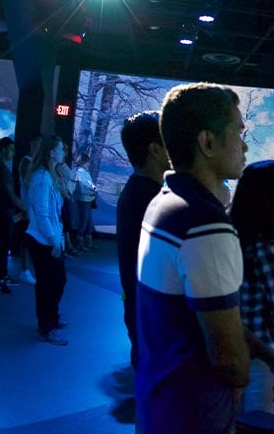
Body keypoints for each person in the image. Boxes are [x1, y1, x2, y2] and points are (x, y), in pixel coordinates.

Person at [136, 82, 274, 434]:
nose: (245, 145)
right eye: (238, 132)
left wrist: (270, 357)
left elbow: (209, 317)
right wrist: (251, 369)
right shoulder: (207, 227)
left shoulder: (164, 203)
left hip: (160, 405)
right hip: (195, 416)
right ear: (208, 142)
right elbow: (230, 362)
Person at [229, 160, 274, 414]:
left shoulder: (232, 236)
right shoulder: (269, 249)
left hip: (231, 351)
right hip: (263, 360)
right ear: (273, 195)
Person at [116, 110, 168, 370]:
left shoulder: (137, 190)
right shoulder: (152, 199)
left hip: (141, 311)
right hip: (153, 316)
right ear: (156, 150)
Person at [24, 135, 68, 346]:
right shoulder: (42, 178)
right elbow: (42, 214)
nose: (63, 153)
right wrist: (53, 241)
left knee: (57, 281)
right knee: (47, 284)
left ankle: (52, 317)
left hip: (50, 238)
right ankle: (47, 326)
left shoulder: (50, 175)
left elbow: (56, 209)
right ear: (51, 152)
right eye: (60, 149)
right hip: (43, 240)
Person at [0, 137, 27, 293]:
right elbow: (9, 193)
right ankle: (1, 277)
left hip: (4, 212)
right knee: (4, 246)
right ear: (3, 150)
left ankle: (1, 276)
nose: (13, 153)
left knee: (3, 247)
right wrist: (24, 208)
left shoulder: (2, 167)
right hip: (4, 214)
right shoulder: (2, 169)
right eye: (11, 149)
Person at [14, 133, 41, 285]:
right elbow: (29, 184)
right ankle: (24, 270)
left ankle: (26, 269)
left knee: (29, 239)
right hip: (27, 208)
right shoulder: (27, 161)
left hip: (31, 208)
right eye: (37, 144)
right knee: (26, 239)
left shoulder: (32, 162)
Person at [73, 153, 97, 250]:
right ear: (83, 162)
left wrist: (93, 189)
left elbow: (90, 184)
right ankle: (80, 242)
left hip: (88, 200)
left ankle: (88, 241)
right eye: (87, 162)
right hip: (84, 200)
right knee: (83, 222)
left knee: (88, 222)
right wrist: (91, 192)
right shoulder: (80, 173)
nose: (89, 164)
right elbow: (81, 189)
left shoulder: (85, 173)